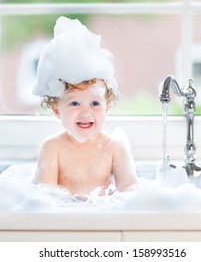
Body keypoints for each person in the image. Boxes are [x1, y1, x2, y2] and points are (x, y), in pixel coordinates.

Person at [32, 16, 138, 196]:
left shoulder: (114, 148)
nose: (86, 112)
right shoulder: (52, 147)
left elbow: (129, 190)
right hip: (65, 220)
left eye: (95, 103)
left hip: (101, 218)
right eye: (74, 103)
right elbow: (45, 195)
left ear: (108, 106)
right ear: (57, 109)